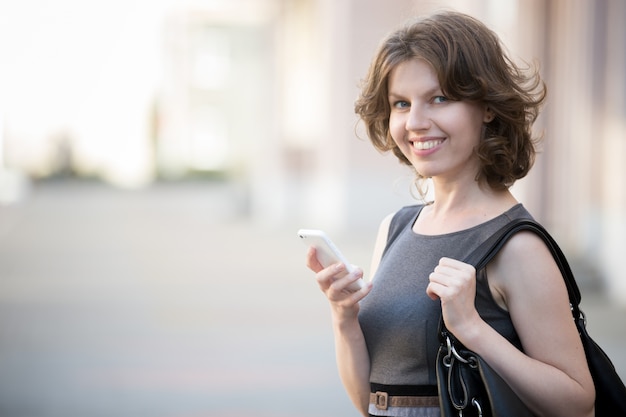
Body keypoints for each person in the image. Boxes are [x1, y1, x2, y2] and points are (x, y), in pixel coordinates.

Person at [304, 10, 595, 417]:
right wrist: (344, 317)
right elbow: (369, 402)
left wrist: (474, 329)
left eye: (439, 98)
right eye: (401, 104)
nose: (416, 122)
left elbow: (577, 403)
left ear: (488, 106)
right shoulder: (396, 227)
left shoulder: (517, 245)